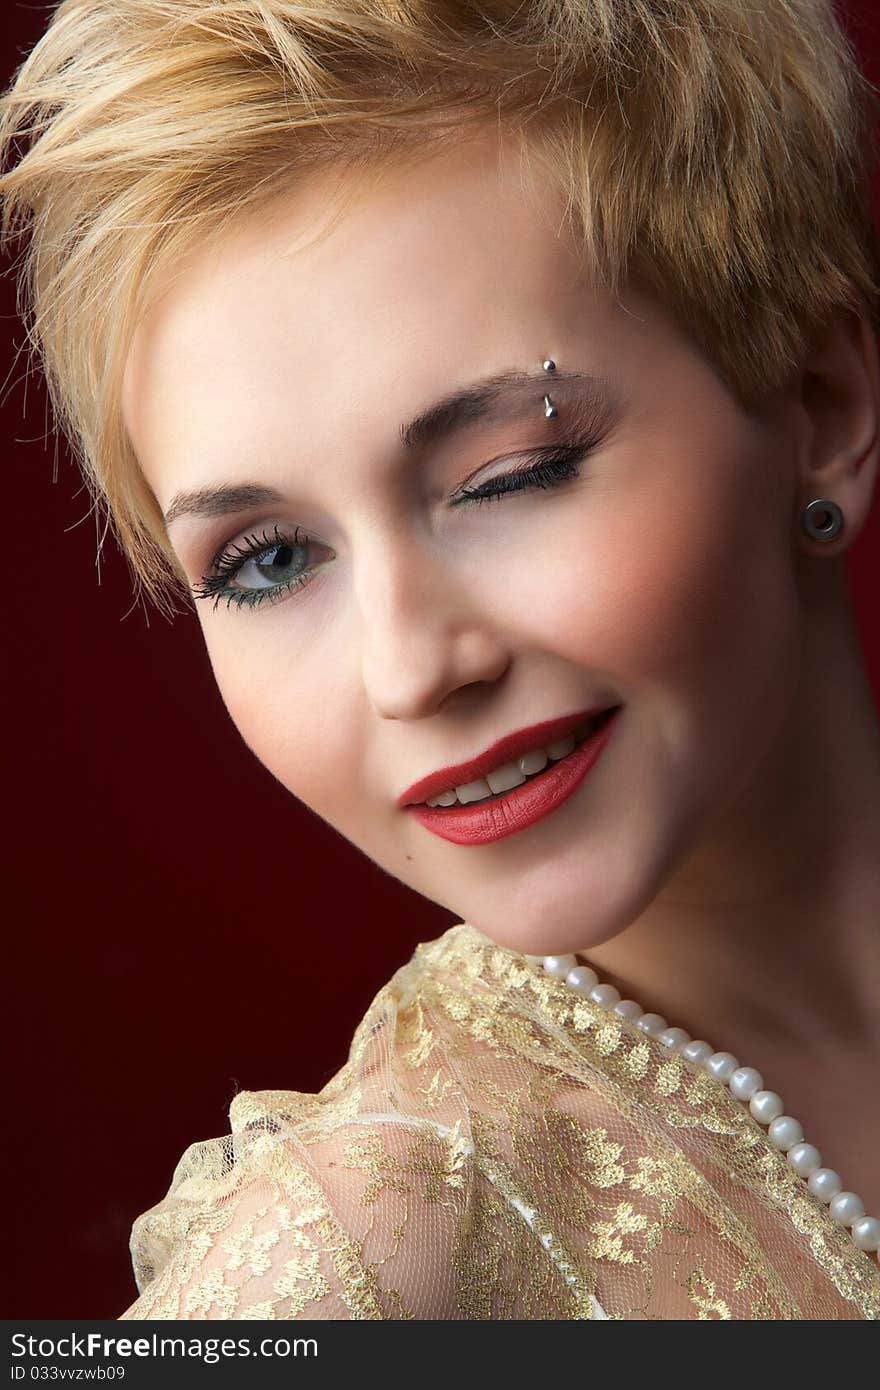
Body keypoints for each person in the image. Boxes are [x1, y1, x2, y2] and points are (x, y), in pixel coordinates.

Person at [2, 0, 879, 1320]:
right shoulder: (366, 1254)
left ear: (821, 404)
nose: (409, 668)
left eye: (507, 477)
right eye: (268, 560)